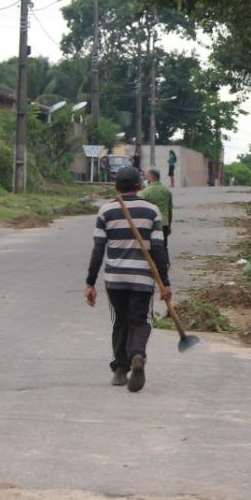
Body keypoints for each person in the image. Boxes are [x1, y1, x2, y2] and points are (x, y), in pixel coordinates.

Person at [84, 165, 171, 393]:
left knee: (120, 320)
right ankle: (137, 356)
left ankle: (121, 369)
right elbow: (159, 250)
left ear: (116, 186)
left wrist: (90, 282)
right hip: (142, 279)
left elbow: (98, 250)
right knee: (140, 321)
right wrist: (166, 282)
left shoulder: (106, 211)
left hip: (115, 279)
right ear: (140, 186)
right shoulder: (152, 212)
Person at [141, 169, 174, 244]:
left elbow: (142, 210)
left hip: (151, 223)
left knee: (152, 247)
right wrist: (169, 226)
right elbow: (169, 211)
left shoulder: (146, 191)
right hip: (164, 222)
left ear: (150, 178)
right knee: (164, 246)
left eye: (146, 177)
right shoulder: (166, 191)